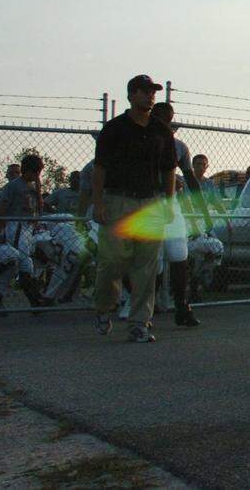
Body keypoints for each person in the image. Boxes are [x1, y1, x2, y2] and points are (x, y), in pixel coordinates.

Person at [91, 74, 176, 343]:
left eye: (152, 92)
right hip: (119, 201)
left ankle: (140, 322)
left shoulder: (161, 130)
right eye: (144, 91)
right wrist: (99, 203)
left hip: (150, 202)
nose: (150, 96)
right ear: (131, 95)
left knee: (146, 267)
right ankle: (104, 307)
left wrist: (168, 203)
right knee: (112, 261)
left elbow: (169, 170)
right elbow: (100, 167)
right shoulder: (115, 128)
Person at [150, 102, 212, 327]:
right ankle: (144, 304)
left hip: (170, 203)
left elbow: (191, 179)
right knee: (152, 261)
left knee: (178, 255)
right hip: (146, 204)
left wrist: (202, 210)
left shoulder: (178, 146)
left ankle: (181, 305)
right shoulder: (141, 141)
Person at [0, 154, 45, 257]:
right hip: (16, 225)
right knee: (21, 259)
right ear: (29, 171)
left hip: (29, 226)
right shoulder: (13, 185)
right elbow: (2, 208)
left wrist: (38, 189)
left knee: (28, 257)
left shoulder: (33, 186)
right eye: (37, 173)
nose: (38, 176)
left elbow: (40, 207)